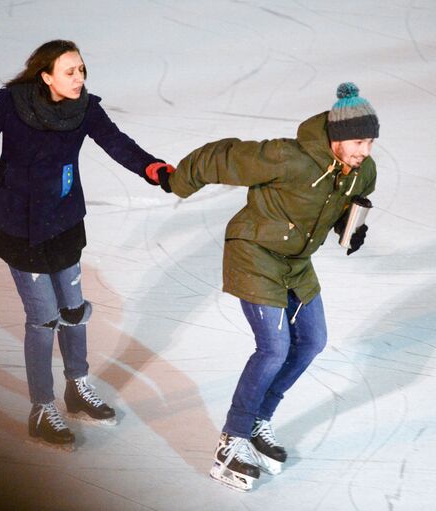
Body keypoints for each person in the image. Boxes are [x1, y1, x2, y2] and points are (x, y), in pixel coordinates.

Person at [0, 39, 174, 450]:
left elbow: (117, 143)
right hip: (20, 225)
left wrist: (151, 168)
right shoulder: (14, 103)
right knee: (43, 318)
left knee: (72, 310)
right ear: (46, 75)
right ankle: (41, 408)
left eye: (82, 70)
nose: (79, 78)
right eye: (70, 71)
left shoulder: (85, 108)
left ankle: (77, 388)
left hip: (65, 220)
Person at [148, 82, 378, 490]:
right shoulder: (288, 157)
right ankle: (231, 441)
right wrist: (178, 181)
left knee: (312, 341)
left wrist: (349, 228)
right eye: (358, 141)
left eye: (371, 142)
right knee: (274, 348)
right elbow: (224, 156)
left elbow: (342, 204)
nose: (365, 151)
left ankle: (258, 421)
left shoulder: (362, 172)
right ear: (337, 138)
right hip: (254, 253)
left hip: (295, 263)